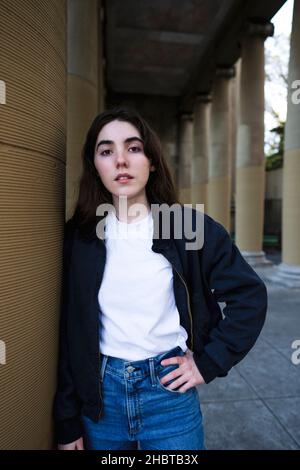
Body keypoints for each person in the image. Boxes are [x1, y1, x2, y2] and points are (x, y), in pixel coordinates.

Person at [53, 107, 268, 450]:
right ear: (96, 166)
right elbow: (68, 330)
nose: (120, 160)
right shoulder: (80, 238)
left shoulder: (187, 228)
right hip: (99, 399)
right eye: (106, 151)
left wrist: (208, 362)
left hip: (168, 395)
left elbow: (249, 296)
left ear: (151, 161)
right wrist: (66, 421)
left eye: (133, 148)